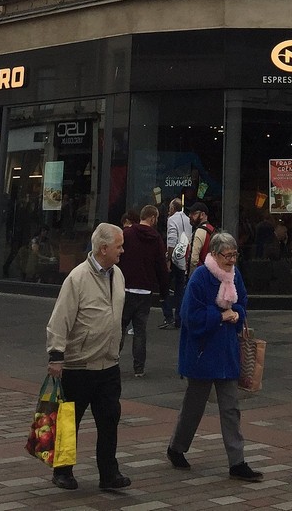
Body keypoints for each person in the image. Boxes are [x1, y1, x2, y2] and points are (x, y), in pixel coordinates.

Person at [165, 229, 263, 483]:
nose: (232, 260)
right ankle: (177, 448)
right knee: (194, 406)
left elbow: (242, 302)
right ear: (214, 254)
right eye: (227, 256)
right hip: (202, 352)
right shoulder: (200, 278)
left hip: (227, 352)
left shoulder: (234, 275)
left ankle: (237, 462)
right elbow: (189, 316)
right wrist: (219, 315)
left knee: (231, 408)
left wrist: (237, 313)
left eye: (234, 255)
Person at [46, 222, 131, 494]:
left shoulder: (117, 274)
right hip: (78, 364)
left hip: (109, 363)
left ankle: (109, 473)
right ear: (103, 248)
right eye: (119, 246)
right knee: (70, 420)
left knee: (109, 419)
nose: (122, 250)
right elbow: (60, 319)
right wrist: (56, 356)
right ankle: (62, 471)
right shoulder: (77, 277)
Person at [118, 204, 168, 378]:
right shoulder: (156, 238)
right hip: (145, 291)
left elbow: (118, 257)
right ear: (153, 217)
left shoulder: (127, 234)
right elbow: (161, 266)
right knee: (140, 330)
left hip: (126, 287)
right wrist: (163, 292)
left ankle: (112, 360)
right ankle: (139, 368)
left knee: (120, 326)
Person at [163, 197, 193, 328]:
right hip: (183, 258)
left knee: (165, 286)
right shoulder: (188, 220)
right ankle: (179, 318)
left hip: (174, 257)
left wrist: (168, 258)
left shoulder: (172, 220)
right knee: (180, 289)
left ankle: (168, 316)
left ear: (172, 208)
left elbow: (171, 239)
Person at [187, 201, 214, 271]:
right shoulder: (211, 229)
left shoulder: (199, 232)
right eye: (190, 213)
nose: (190, 216)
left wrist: (190, 276)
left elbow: (193, 260)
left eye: (194, 213)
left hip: (200, 273)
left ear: (202, 214)